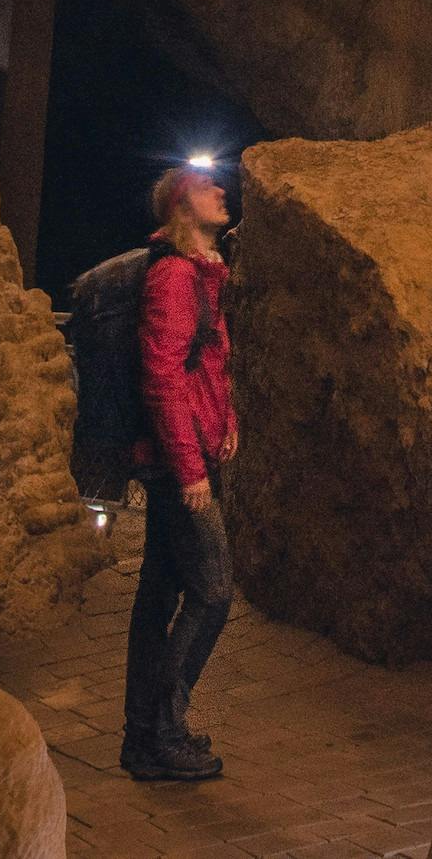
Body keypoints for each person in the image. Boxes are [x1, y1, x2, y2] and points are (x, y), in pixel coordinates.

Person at [122, 159, 238, 781]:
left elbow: (204, 364)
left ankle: (142, 740)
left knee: (159, 597)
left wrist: (227, 421)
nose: (220, 190)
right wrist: (191, 470)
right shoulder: (173, 276)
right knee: (213, 594)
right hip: (177, 465)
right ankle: (165, 733)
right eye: (205, 185)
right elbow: (162, 378)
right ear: (179, 205)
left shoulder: (202, 275)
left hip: (186, 454)